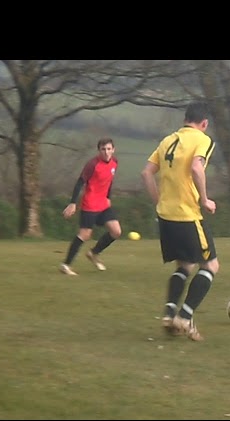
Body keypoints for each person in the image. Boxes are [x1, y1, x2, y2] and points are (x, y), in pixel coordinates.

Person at [141, 101, 218, 342]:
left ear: (186, 119)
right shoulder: (202, 140)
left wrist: (158, 201)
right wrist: (205, 200)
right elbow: (197, 168)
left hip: (166, 216)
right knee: (211, 266)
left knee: (184, 265)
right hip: (188, 215)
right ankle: (184, 317)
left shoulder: (167, 140)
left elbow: (146, 173)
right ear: (204, 123)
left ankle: (168, 313)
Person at [59, 137, 122, 276]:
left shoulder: (115, 162)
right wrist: (73, 203)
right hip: (90, 204)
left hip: (103, 204)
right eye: (103, 149)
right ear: (98, 150)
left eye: (109, 149)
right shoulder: (92, 164)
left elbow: (109, 181)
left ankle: (93, 253)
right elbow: (80, 182)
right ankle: (66, 265)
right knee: (85, 235)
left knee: (116, 231)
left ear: (113, 150)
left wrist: (108, 198)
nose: (106, 152)